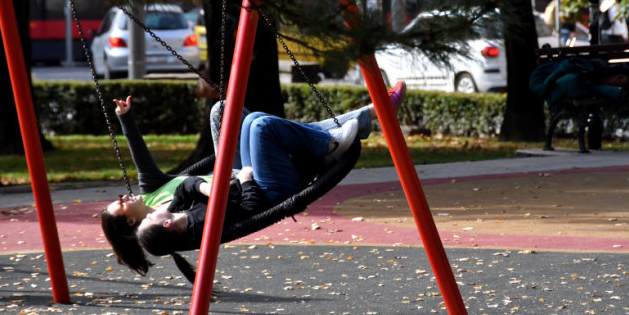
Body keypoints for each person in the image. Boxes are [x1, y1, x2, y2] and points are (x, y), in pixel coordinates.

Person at [101, 81, 406, 275]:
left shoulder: (155, 196)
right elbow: (242, 206)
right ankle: (347, 129)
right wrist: (230, 186)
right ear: (132, 223)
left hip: (228, 173)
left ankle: (341, 131)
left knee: (227, 112)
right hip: (252, 186)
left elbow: (177, 178)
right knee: (261, 127)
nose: (124, 197)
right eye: (122, 206)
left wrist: (125, 119)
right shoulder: (185, 223)